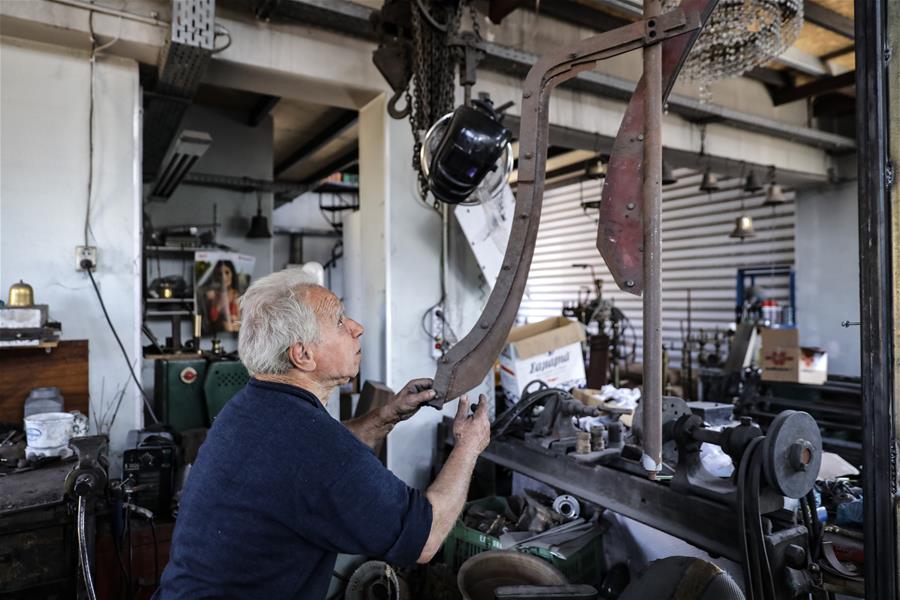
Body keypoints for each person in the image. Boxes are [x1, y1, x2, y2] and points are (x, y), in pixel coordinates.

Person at [156, 268, 491, 599]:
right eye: (340, 321)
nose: (357, 328)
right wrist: (469, 445)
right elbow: (425, 538)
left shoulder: (254, 406)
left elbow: (308, 463)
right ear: (302, 355)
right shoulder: (311, 444)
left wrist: (386, 416)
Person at [202, 260, 241, 333]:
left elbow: (239, 320)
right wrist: (220, 303)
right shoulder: (211, 295)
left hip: (234, 333)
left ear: (232, 274)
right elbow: (211, 320)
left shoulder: (236, 294)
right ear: (216, 276)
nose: (224, 277)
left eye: (227, 272)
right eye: (220, 274)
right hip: (217, 333)